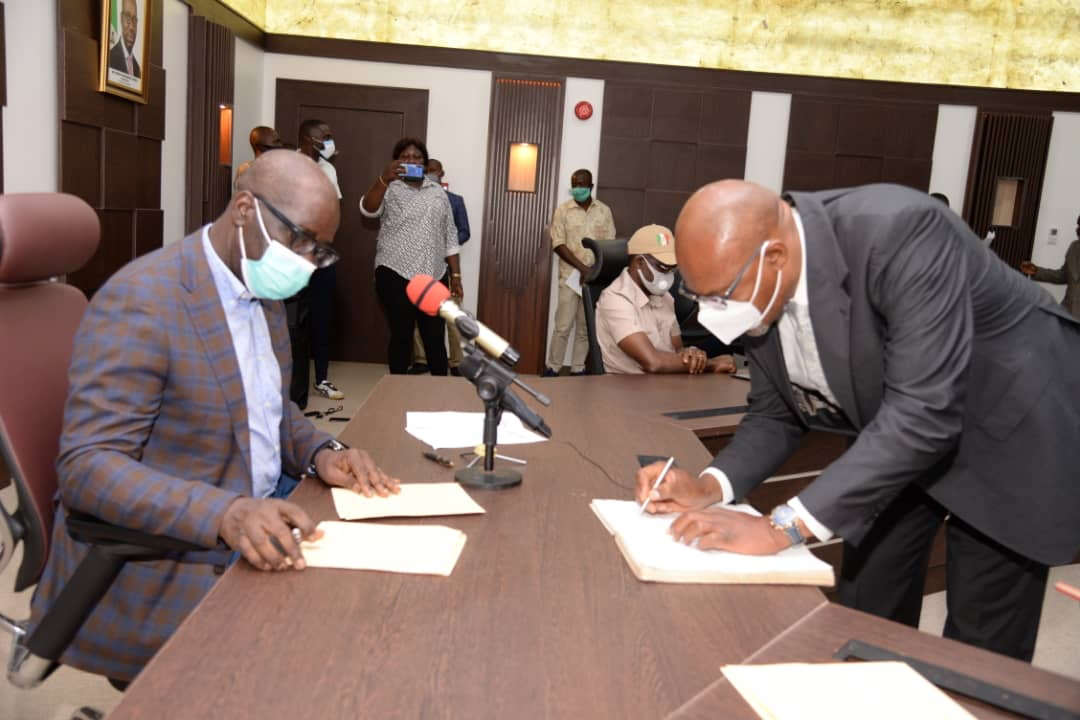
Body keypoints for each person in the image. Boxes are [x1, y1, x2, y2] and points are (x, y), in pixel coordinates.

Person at [637, 180, 1080, 662]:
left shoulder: (902, 231)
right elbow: (775, 412)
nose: (712, 317)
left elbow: (925, 411)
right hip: (898, 430)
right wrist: (709, 486)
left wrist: (779, 528)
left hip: (1006, 426)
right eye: (699, 297)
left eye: (721, 296)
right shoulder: (760, 284)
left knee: (980, 650)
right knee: (867, 603)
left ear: (775, 257)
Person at [29, 150, 400, 684]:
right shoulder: (144, 300)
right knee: (338, 661)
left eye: (319, 250)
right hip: (179, 551)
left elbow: (268, 408)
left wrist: (322, 452)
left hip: (266, 507)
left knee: (382, 610)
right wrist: (226, 513)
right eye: (300, 239)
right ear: (245, 210)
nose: (306, 262)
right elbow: (88, 467)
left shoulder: (262, 286)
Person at [361, 137, 462, 375]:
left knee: (435, 337)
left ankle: (439, 388)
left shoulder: (438, 193)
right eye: (405, 157)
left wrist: (456, 275)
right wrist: (383, 178)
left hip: (433, 274)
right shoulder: (389, 188)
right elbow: (368, 209)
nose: (411, 160)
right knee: (401, 335)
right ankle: (397, 388)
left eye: (416, 157)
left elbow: (450, 235)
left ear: (424, 164)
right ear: (396, 162)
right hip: (395, 272)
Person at [596, 224, 736, 375]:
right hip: (626, 386)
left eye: (672, 268)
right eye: (662, 268)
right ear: (640, 262)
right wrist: (711, 364)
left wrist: (693, 355)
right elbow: (653, 363)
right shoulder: (616, 299)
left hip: (666, 382)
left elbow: (677, 351)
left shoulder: (665, 297)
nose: (668, 275)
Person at [292, 118, 345, 402]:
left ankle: (322, 379)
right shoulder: (288, 165)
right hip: (293, 255)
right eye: (324, 137)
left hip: (322, 253)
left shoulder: (329, 169)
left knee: (322, 317)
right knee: (294, 321)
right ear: (306, 138)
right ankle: (292, 382)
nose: (329, 142)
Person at [545, 169, 616, 376]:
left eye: (581, 185)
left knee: (585, 328)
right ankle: (553, 368)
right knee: (562, 326)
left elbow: (608, 245)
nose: (577, 188)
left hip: (592, 279)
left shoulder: (604, 211)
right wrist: (582, 268)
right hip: (570, 278)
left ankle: (577, 369)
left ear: (591, 186)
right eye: (574, 184)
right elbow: (558, 244)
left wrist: (593, 271)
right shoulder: (563, 211)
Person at [410, 158, 471, 375]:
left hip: (447, 265)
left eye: (433, 170)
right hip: (420, 265)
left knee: (452, 316)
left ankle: (457, 362)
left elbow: (464, 231)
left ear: (441, 173)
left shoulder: (455, 201)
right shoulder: (414, 198)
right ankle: (421, 359)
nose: (430, 173)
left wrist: (446, 244)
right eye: (426, 170)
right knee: (419, 314)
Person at [1020, 214, 1080, 319]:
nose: (1077, 229)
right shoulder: (1074, 247)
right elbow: (1063, 276)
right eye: (1079, 225)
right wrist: (1037, 271)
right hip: (1068, 312)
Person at [107, 0, 141, 78]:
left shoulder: (137, 69)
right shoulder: (109, 59)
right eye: (128, 18)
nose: (132, 27)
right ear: (121, 19)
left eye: (134, 20)